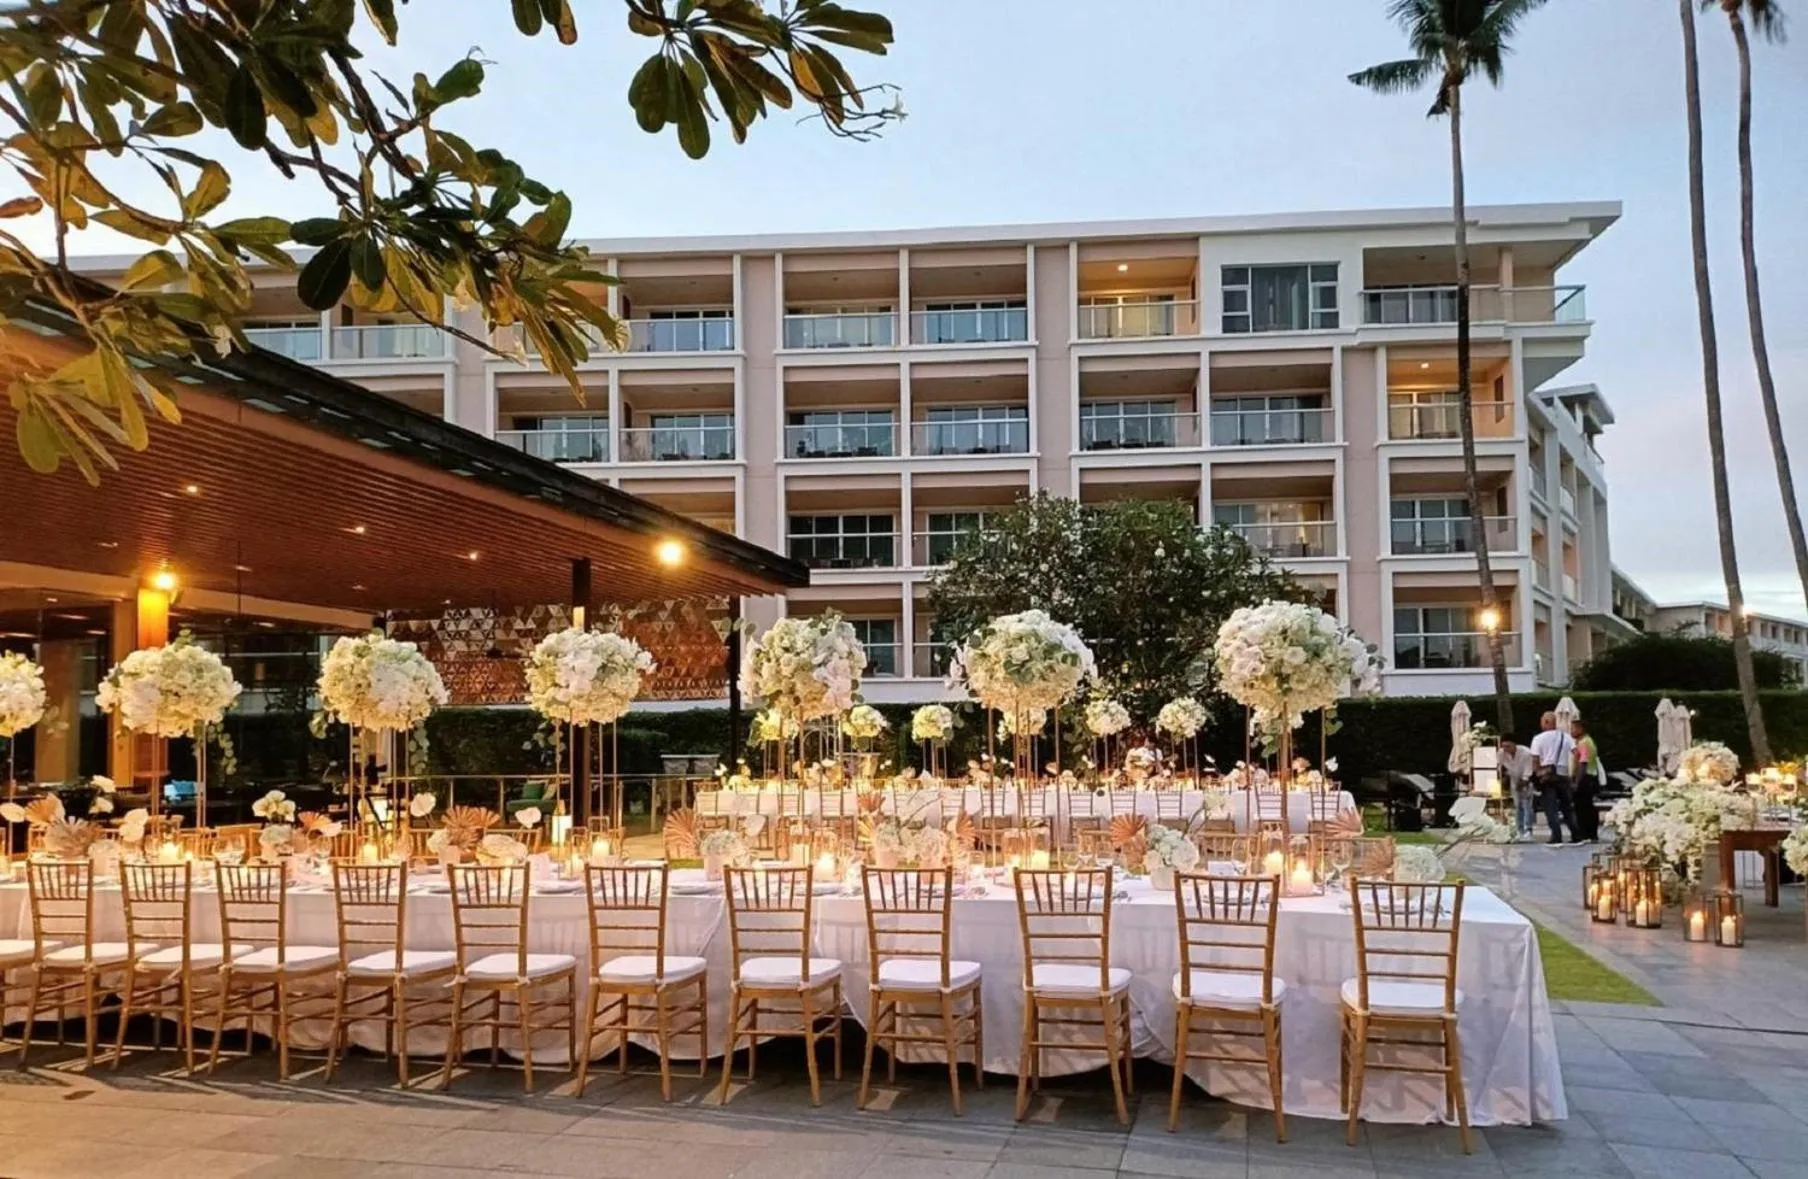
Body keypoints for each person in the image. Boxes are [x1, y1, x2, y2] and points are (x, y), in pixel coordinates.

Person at [1529, 711, 1578, 845]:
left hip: (1548, 776)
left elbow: (1535, 759)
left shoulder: (1538, 738)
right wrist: (1573, 771)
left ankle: (1556, 836)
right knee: (1567, 806)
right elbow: (1576, 753)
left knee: (1551, 807)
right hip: (1563, 775)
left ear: (1546, 722)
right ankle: (1575, 834)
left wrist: (1538, 773)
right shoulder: (1566, 736)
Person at [1570, 720, 1605, 845]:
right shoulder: (1588, 741)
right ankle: (1590, 833)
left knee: (1582, 807)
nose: (1571, 731)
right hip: (1590, 777)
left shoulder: (1584, 743)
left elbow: (1583, 763)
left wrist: (1576, 782)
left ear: (1580, 729)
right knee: (1587, 806)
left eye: (1573, 728)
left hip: (1585, 778)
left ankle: (1585, 833)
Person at [1498, 737, 1538, 840]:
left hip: (1526, 778)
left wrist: (1523, 783)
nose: (1506, 749)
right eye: (1504, 746)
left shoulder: (1526, 753)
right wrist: (1503, 778)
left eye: (1508, 746)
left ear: (1514, 744)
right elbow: (1500, 767)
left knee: (1527, 804)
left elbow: (1528, 772)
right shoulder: (1501, 753)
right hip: (1513, 778)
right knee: (1517, 805)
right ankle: (1519, 830)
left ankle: (1528, 830)